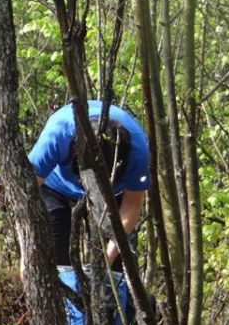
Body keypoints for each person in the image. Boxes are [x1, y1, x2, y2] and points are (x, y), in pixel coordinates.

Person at [27, 100, 150, 267]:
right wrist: (27, 255)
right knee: (53, 256)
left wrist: (108, 257)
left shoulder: (138, 151)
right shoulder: (57, 133)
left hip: (112, 196)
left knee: (116, 266)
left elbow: (131, 206)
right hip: (56, 186)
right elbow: (26, 197)